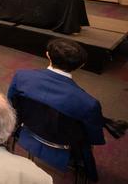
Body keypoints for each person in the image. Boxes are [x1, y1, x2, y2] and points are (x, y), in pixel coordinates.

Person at [7, 38, 105, 180]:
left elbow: (12, 106)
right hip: (65, 145)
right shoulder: (89, 103)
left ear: (47, 55)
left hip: (28, 131)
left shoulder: (22, 77)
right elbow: (94, 138)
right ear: (81, 65)